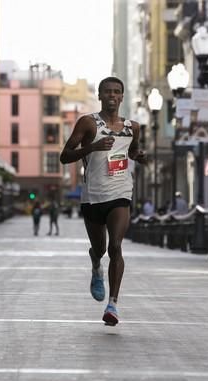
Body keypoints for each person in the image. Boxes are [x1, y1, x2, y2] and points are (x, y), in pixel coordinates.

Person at [59, 76, 147, 326]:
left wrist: (138, 156)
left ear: (122, 97)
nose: (112, 95)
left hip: (120, 192)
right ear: (99, 95)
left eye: (116, 92)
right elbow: (65, 156)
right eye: (107, 91)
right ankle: (96, 264)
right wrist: (92, 147)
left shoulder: (133, 128)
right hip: (93, 196)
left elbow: (130, 150)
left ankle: (113, 304)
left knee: (115, 246)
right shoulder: (88, 123)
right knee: (100, 249)